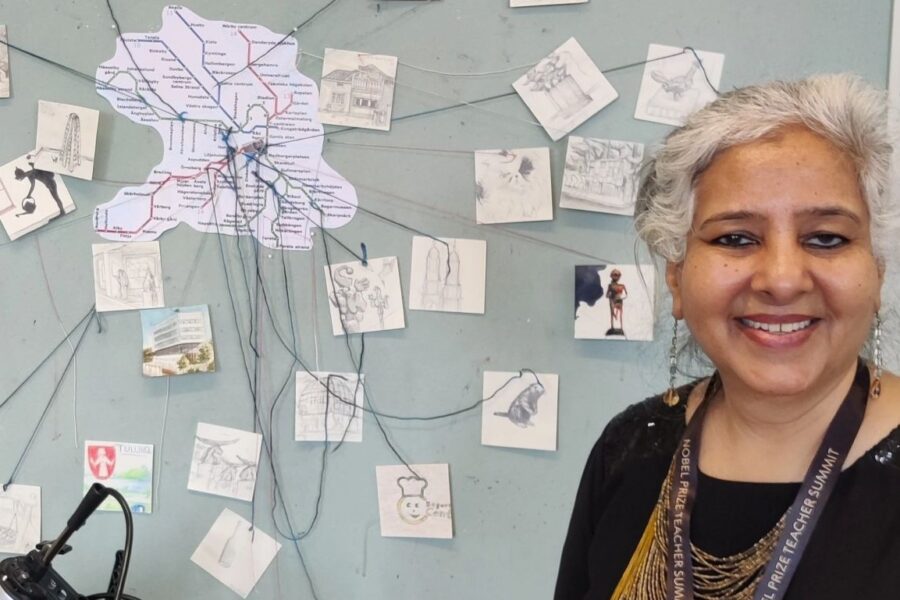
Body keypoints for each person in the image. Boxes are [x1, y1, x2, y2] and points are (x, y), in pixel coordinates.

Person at [554, 74, 900, 600]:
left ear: (876, 270)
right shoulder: (628, 450)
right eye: (735, 238)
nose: (782, 279)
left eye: (827, 238)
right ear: (676, 275)